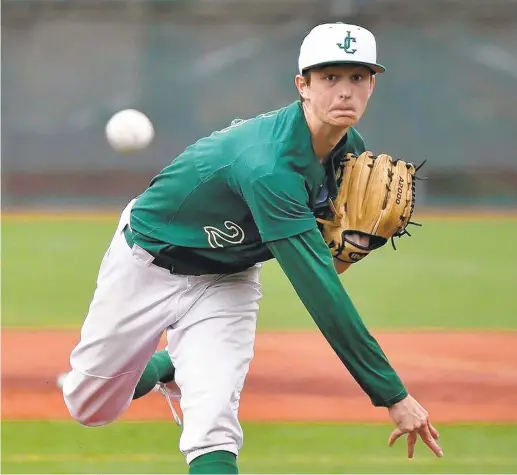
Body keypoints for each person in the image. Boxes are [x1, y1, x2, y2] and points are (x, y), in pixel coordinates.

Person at [62, 22, 443, 474]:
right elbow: (320, 291)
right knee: (90, 408)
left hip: (230, 278)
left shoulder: (348, 151)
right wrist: (391, 394)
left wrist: (348, 247)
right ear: (302, 85)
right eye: (330, 77)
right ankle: (170, 364)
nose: (345, 91)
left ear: (372, 85)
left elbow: (325, 265)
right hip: (147, 261)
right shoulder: (269, 167)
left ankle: (193, 373)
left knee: (214, 426)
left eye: (357, 77)